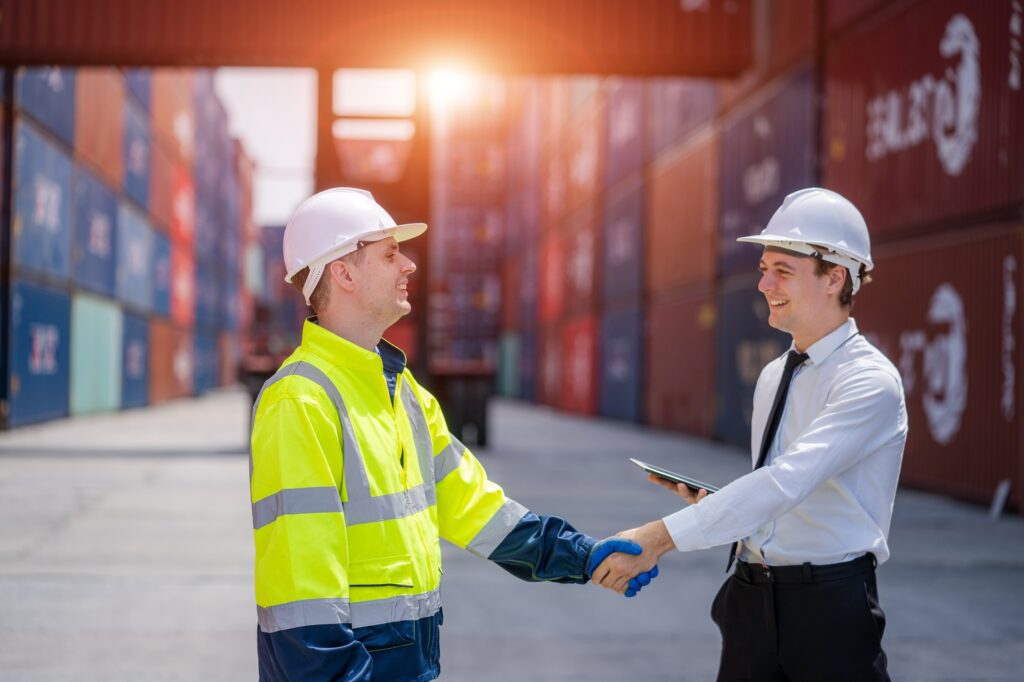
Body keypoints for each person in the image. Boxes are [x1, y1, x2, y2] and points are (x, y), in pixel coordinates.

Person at [249, 187, 654, 682]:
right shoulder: (301, 400)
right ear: (344, 273)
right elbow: (300, 593)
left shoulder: (404, 393)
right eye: (391, 253)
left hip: (407, 665)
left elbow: (479, 510)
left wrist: (584, 556)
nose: (409, 266)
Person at [590, 188, 908, 681]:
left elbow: (786, 482)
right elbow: (780, 498)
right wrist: (720, 505)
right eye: (764, 268)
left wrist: (659, 537)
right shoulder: (774, 375)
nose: (764, 283)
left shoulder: (870, 382)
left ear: (835, 276)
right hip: (750, 601)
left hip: (828, 610)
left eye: (783, 269)